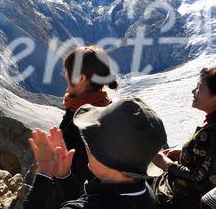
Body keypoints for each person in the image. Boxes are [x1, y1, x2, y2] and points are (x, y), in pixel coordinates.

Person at [24, 97, 167, 208]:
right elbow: (92, 200)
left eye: (92, 139)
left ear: (104, 155)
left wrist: (44, 173)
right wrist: (64, 176)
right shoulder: (142, 190)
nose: (86, 144)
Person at [151, 67, 216, 208]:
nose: (193, 92)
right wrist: (187, 155)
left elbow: (199, 180)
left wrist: (165, 163)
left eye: (199, 88)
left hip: (187, 201)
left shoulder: (211, 133)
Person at [59, 46, 118, 193]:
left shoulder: (81, 121)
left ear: (81, 79)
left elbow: (75, 171)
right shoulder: (106, 107)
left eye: (67, 71)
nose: (65, 75)